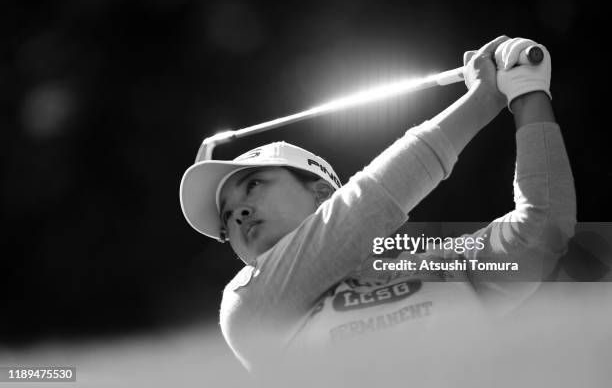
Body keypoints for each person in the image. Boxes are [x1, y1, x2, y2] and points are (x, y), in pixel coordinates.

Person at [179, 36, 576, 372]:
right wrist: (485, 98)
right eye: (226, 217)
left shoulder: (430, 264)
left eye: (253, 185)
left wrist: (527, 89)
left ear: (320, 194)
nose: (239, 214)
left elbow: (541, 233)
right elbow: (366, 204)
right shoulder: (247, 305)